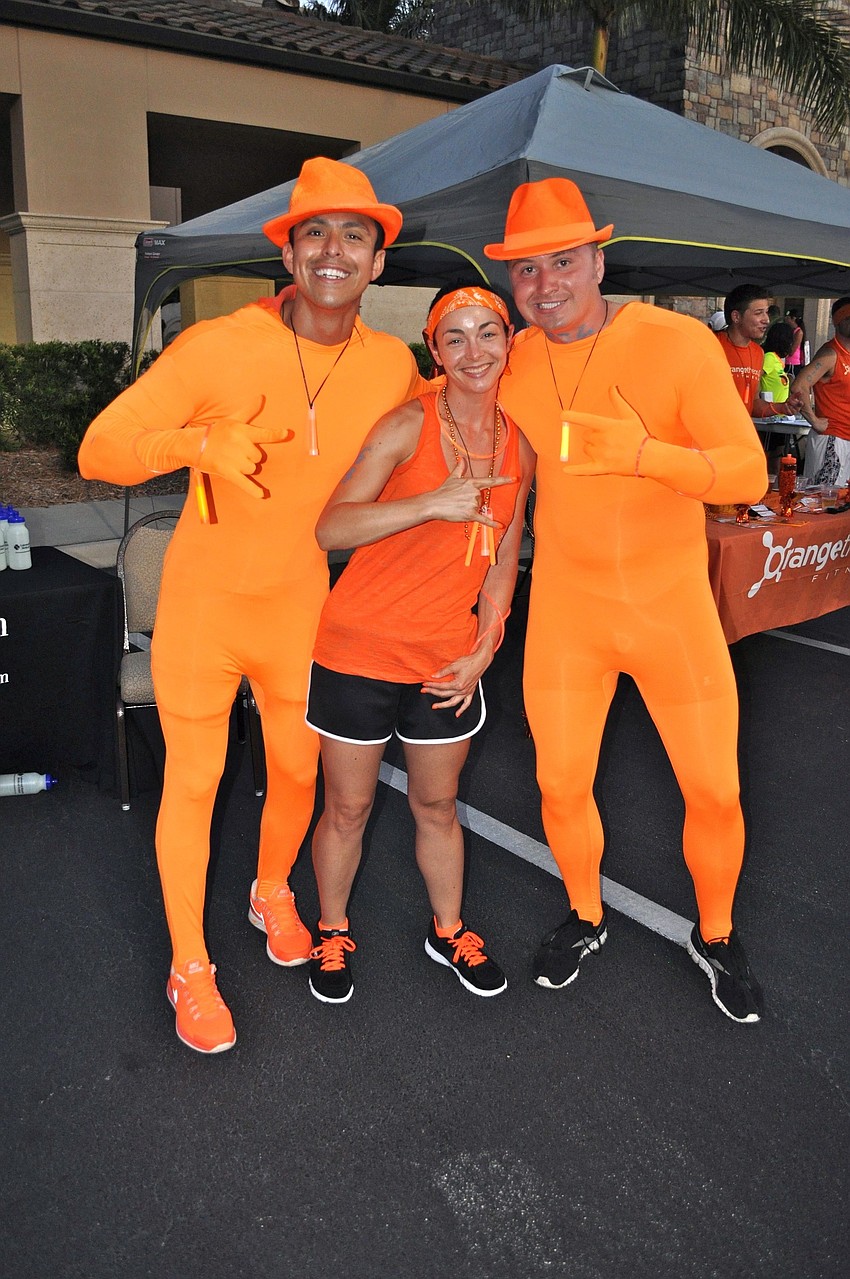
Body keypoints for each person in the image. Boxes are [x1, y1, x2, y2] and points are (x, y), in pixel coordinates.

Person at [78, 157, 426, 1053]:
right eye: (315, 232)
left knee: (300, 775)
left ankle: (271, 887)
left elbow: (446, 439)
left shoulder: (393, 366)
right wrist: (194, 440)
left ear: (379, 262)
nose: (334, 250)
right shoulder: (220, 345)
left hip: (303, 609)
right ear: (289, 253)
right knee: (194, 782)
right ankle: (189, 964)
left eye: (355, 235)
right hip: (203, 608)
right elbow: (99, 448)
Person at [485, 177, 768, 1023]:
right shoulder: (513, 358)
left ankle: (714, 934)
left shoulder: (677, 342)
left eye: (563, 262)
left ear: (598, 260)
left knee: (715, 791)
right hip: (568, 614)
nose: (546, 287)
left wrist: (648, 455)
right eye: (527, 272)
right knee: (560, 784)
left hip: (670, 611)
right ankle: (583, 913)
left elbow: (748, 474)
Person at [304, 284, 535, 1004]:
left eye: (487, 334)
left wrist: (485, 649)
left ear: (508, 344)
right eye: (455, 337)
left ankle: (449, 929)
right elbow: (331, 527)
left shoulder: (518, 440)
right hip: (358, 650)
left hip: (446, 657)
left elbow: (503, 557)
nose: (474, 351)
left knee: (437, 807)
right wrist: (430, 503)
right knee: (348, 807)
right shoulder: (407, 424)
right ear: (433, 351)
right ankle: (333, 929)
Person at [788, 296, 850, 485]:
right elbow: (799, 386)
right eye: (849, 318)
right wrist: (813, 420)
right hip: (833, 438)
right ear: (837, 322)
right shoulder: (831, 354)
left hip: (844, 438)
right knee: (823, 500)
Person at [716, 285, 789, 419]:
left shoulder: (758, 353)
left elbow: (753, 404)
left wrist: (782, 407)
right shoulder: (712, 345)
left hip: (740, 434)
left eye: (766, 312)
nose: (766, 319)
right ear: (736, 316)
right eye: (758, 313)